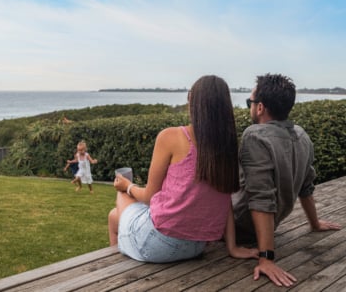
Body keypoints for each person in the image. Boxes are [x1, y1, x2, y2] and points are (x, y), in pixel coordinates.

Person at [108, 75, 258, 263]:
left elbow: (148, 197)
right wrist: (232, 247)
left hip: (156, 242)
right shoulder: (227, 147)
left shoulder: (171, 137)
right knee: (114, 216)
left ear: (191, 102)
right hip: (196, 247)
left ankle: (114, 267)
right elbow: (224, 199)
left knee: (122, 196)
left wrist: (127, 186)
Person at [232, 73, 342, 287]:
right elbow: (306, 185)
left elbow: (261, 197)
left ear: (261, 107)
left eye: (250, 103)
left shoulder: (255, 136)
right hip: (272, 225)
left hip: (240, 227)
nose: (250, 108)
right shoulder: (302, 135)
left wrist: (266, 258)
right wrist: (315, 223)